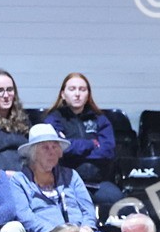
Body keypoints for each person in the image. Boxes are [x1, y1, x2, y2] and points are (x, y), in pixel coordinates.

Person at [9, 124, 119, 232]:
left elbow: (87, 208)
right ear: (33, 153)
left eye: (55, 146)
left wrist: (87, 228)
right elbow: (25, 216)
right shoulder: (19, 180)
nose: (52, 152)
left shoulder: (71, 175)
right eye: (45, 147)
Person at [44, 72, 123, 211]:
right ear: (63, 94)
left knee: (120, 200)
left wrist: (71, 146)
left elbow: (108, 151)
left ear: (88, 94)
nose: (77, 94)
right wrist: (91, 144)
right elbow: (58, 149)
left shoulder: (100, 119)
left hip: (97, 183)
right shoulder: (53, 119)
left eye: (82, 89)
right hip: (65, 184)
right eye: (72, 89)